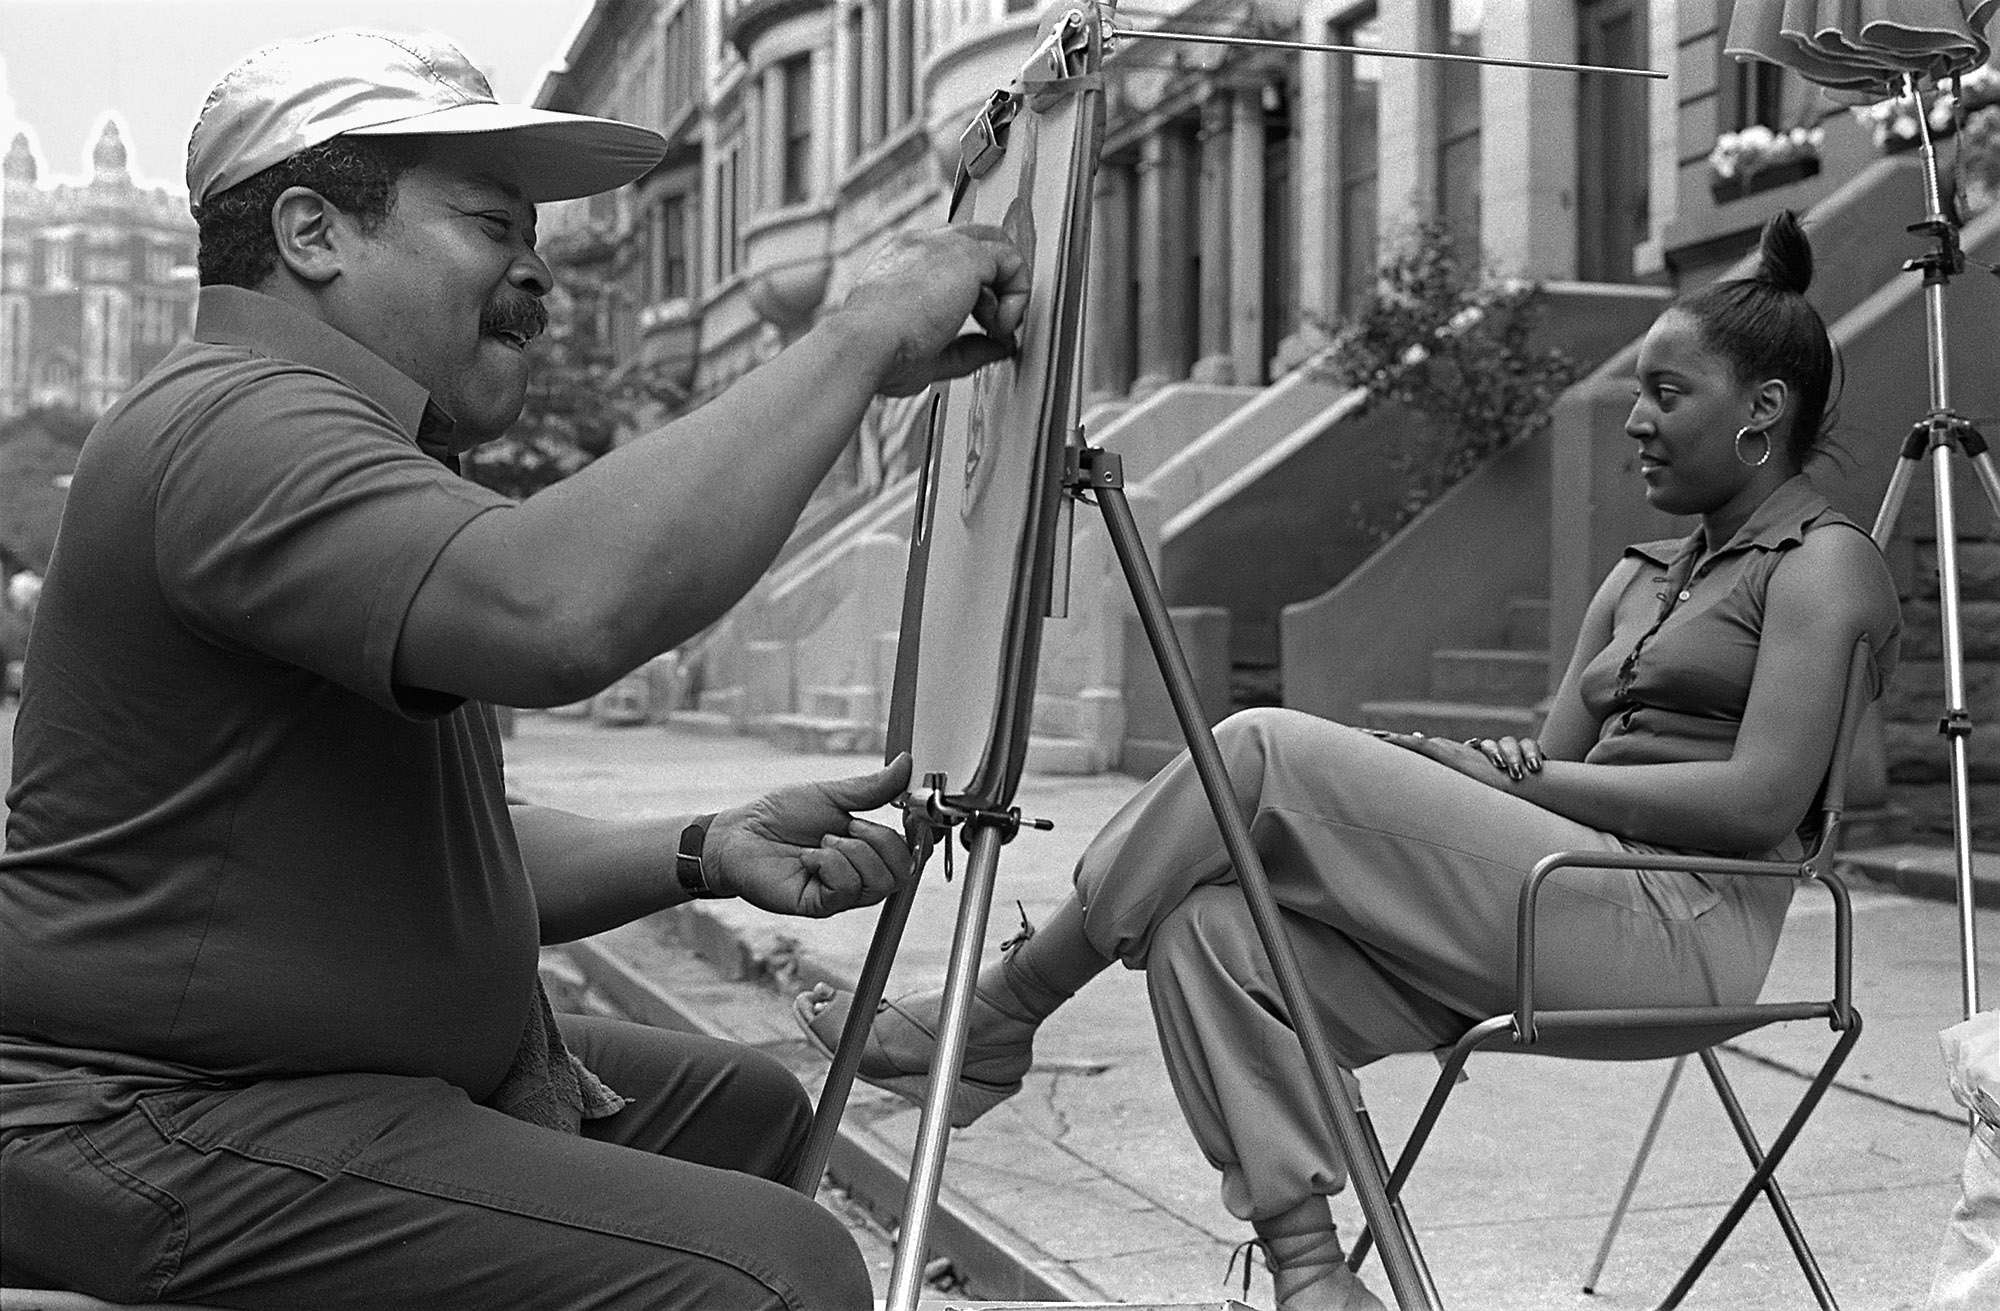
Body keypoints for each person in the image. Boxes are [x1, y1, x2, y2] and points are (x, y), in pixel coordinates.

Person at [0, 30, 1028, 1311]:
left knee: (741, 1107)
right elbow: (560, 614)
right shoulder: (239, 419)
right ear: (314, 234)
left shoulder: (314, 435)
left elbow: (430, 846)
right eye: (492, 226)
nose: (537, 273)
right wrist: (857, 339)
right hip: (156, 1116)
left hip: (274, 1082)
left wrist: (705, 844)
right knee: (773, 1267)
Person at [798, 209, 1902, 1311]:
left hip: (1682, 935)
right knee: (1209, 932)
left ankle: (1004, 1009)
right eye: (1639, 395)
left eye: (1667, 396)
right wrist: (1474, 777)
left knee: (1261, 750)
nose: (1635, 424)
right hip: (1564, 899)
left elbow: (1759, 804)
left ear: (1762, 411)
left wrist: (1508, 781)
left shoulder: (1823, 566)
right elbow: (1539, 779)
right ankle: (1313, 1277)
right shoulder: (1637, 578)